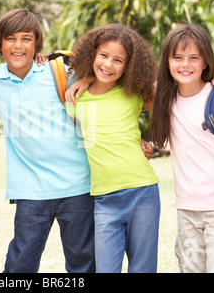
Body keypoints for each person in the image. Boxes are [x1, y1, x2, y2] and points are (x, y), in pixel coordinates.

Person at [0, 8, 95, 273]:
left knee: (83, 264)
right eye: (10, 38)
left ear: (37, 44)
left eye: (26, 39)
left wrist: (86, 77)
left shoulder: (58, 70)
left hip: (76, 185)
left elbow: (99, 82)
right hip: (30, 190)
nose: (18, 45)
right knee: (19, 265)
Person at [64, 24, 161, 273]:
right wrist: (84, 78)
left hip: (142, 192)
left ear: (130, 66)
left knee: (143, 268)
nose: (108, 65)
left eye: (119, 60)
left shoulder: (135, 93)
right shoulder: (76, 99)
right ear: (92, 54)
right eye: (104, 56)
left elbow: (174, 94)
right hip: (104, 200)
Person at [150, 24, 214, 273]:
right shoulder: (163, 97)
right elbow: (120, 89)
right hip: (187, 210)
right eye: (178, 57)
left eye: (194, 57)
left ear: (205, 62)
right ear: (167, 62)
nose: (185, 64)